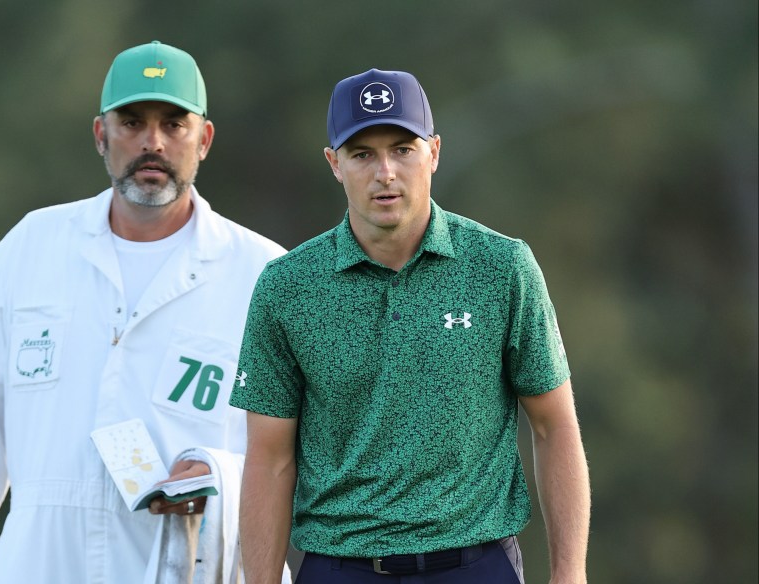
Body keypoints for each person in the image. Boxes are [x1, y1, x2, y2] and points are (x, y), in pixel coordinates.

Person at [0, 40, 285, 584]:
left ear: (204, 139)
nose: (153, 142)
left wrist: (218, 476)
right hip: (41, 562)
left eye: (174, 124)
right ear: (101, 134)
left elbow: (298, 452)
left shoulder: (264, 274)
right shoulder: (29, 249)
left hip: (188, 565)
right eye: (132, 121)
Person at [229, 68, 591, 584]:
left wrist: (570, 573)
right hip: (339, 567)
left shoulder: (501, 267)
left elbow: (554, 426)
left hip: (475, 564)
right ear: (334, 164)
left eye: (403, 148)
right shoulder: (287, 287)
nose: (386, 173)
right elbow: (268, 461)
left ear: (434, 153)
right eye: (362, 154)